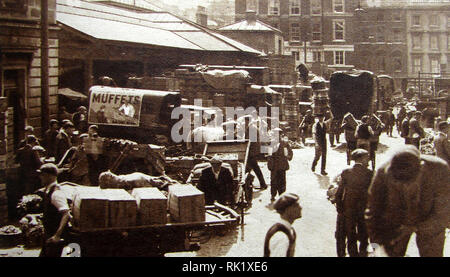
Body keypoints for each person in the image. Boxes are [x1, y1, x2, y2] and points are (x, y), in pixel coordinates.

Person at [365, 145, 450, 257]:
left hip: (429, 218)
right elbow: (372, 213)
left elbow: (443, 214)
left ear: (421, 169)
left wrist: (415, 227)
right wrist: (377, 247)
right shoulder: (383, 172)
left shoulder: (439, 170)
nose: (403, 185)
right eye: (398, 181)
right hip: (395, 221)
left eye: (407, 181)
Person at [334, 149, 373, 257]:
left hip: (349, 209)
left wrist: (340, 207)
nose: (368, 160)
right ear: (361, 158)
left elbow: (339, 192)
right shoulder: (369, 173)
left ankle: (353, 254)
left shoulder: (346, 172)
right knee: (364, 235)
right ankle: (363, 253)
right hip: (364, 209)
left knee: (351, 235)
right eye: (367, 157)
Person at [38, 163, 71, 257]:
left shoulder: (56, 193)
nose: (41, 177)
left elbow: (66, 214)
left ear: (50, 176)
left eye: (43, 175)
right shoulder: (48, 190)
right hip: (49, 235)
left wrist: (57, 235)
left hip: (54, 236)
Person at [264, 192, 302, 257]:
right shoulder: (281, 235)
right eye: (296, 205)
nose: (300, 208)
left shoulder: (289, 230)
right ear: (288, 210)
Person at [268, 128, 293, 202]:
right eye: (275, 134)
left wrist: (288, 157)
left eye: (278, 134)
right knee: (273, 181)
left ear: (281, 135)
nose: (277, 136)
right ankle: (273, 195)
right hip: (274, 165)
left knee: (282, 180)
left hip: (282, 165)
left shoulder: (285, 143)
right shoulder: (271, 144)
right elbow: (269, 155)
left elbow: (290, 152)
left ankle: (282, 195)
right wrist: (270, 164)